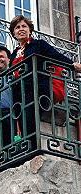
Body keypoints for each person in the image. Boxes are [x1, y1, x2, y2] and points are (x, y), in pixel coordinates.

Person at [9, 15, 81, 147]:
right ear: (14, 33)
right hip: (19, 92)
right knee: (20, 121)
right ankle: (24, 150)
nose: (21, 29)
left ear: (30, 30)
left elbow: (56, 56)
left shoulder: (39, 44)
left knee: (30, 120)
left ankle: (32, 150)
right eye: (17, 27)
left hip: (36, 89)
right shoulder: (14, 54)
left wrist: (72, 65)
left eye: (24, 26)